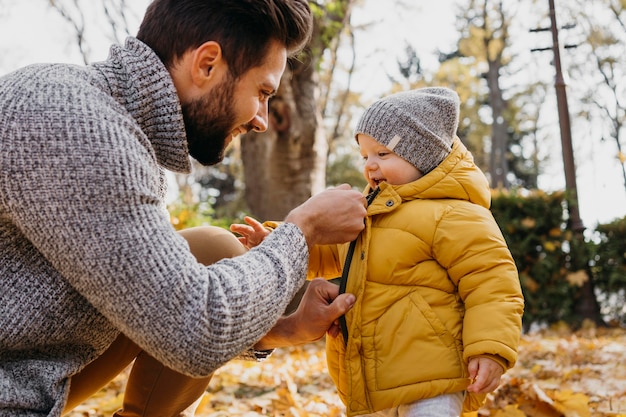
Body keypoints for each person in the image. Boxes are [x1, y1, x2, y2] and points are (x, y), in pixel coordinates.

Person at [0, 1, 369, 416]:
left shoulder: (110, 126)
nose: (262, 119)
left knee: (210, 249)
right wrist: (303, 230)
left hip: (33, 377)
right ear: (207, 64)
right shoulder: (70, 123)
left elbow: (156, 300)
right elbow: (193, 331)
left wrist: (284, 331)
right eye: (263, 92)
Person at [231, 87, 525, 416]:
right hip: (372, 372)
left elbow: (491, 284)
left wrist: (489, 348)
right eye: (365, 156)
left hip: (434, 372)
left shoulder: (455, 213)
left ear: (422, 155)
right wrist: (276, 242)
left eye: (383, 154)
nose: (370, 166)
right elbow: (330, 253)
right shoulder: (368, 210)